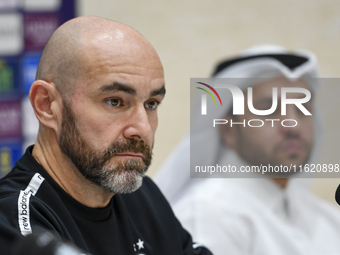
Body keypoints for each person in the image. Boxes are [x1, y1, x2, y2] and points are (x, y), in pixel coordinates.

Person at [0, 16, 212, 255]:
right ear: (47, 105)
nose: (142, 129)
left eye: (152, 104)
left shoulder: (143, 196)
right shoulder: (15, 223)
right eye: (115, 102)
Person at [155, 45, 340, 255]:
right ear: (228, 130)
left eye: (302, 109)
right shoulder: (208, 215)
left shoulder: (328, 217)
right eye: (269, 109)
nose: (292, 125)